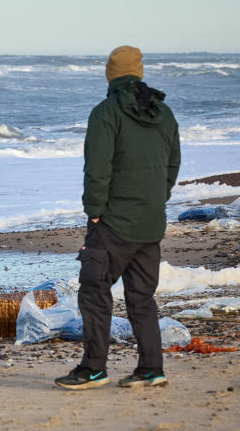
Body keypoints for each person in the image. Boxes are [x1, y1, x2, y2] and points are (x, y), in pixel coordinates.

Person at [55, 45, 181, 390]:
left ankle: (94, 368)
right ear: (138, 74)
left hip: (114, 224)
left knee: (94, 292)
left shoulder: (106, 112)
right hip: (151, 222)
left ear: (110, 75)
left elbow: (97, 169)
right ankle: (151, 369)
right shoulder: (164, 113)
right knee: (142, 298)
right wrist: (157, 199)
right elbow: (172, 167)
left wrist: (95, 213)